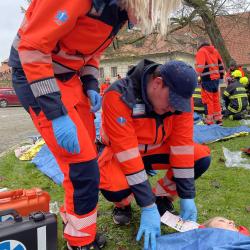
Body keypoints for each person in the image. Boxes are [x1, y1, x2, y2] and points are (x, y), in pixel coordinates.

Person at [8, 1, 182, 249]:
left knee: (80, 164)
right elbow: (33, 49)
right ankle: (80, 242)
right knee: (83, 166)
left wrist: (90, 82)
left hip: (68, 78)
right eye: (154, 10)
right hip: (36, 75)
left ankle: (77, 226)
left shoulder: (118, 10)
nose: (149, 18)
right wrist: (56, 113)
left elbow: (91, 52)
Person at [98, 59, 211, 250]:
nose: (174, 109)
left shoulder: (181, 97)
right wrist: (146, 206)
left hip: (157, 148)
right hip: (122, 154)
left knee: (199, 157)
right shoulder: (118, 95)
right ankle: (123, 204)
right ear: (157, 83)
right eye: (172, 102)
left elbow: (182, 146)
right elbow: (127, 153)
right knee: (114, 189)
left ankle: (161, 198)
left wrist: (187, 195)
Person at [195, 39, 225, 125]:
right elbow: (221, 65)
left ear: (199, 45)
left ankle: (209, 121)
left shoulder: (201, 51)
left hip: (207, 79)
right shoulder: (215, 51)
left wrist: (195, 76)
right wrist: (221, 76)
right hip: (216, 79)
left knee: (208, 101)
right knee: (216, 100)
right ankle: (219, 120)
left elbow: (200, 67)